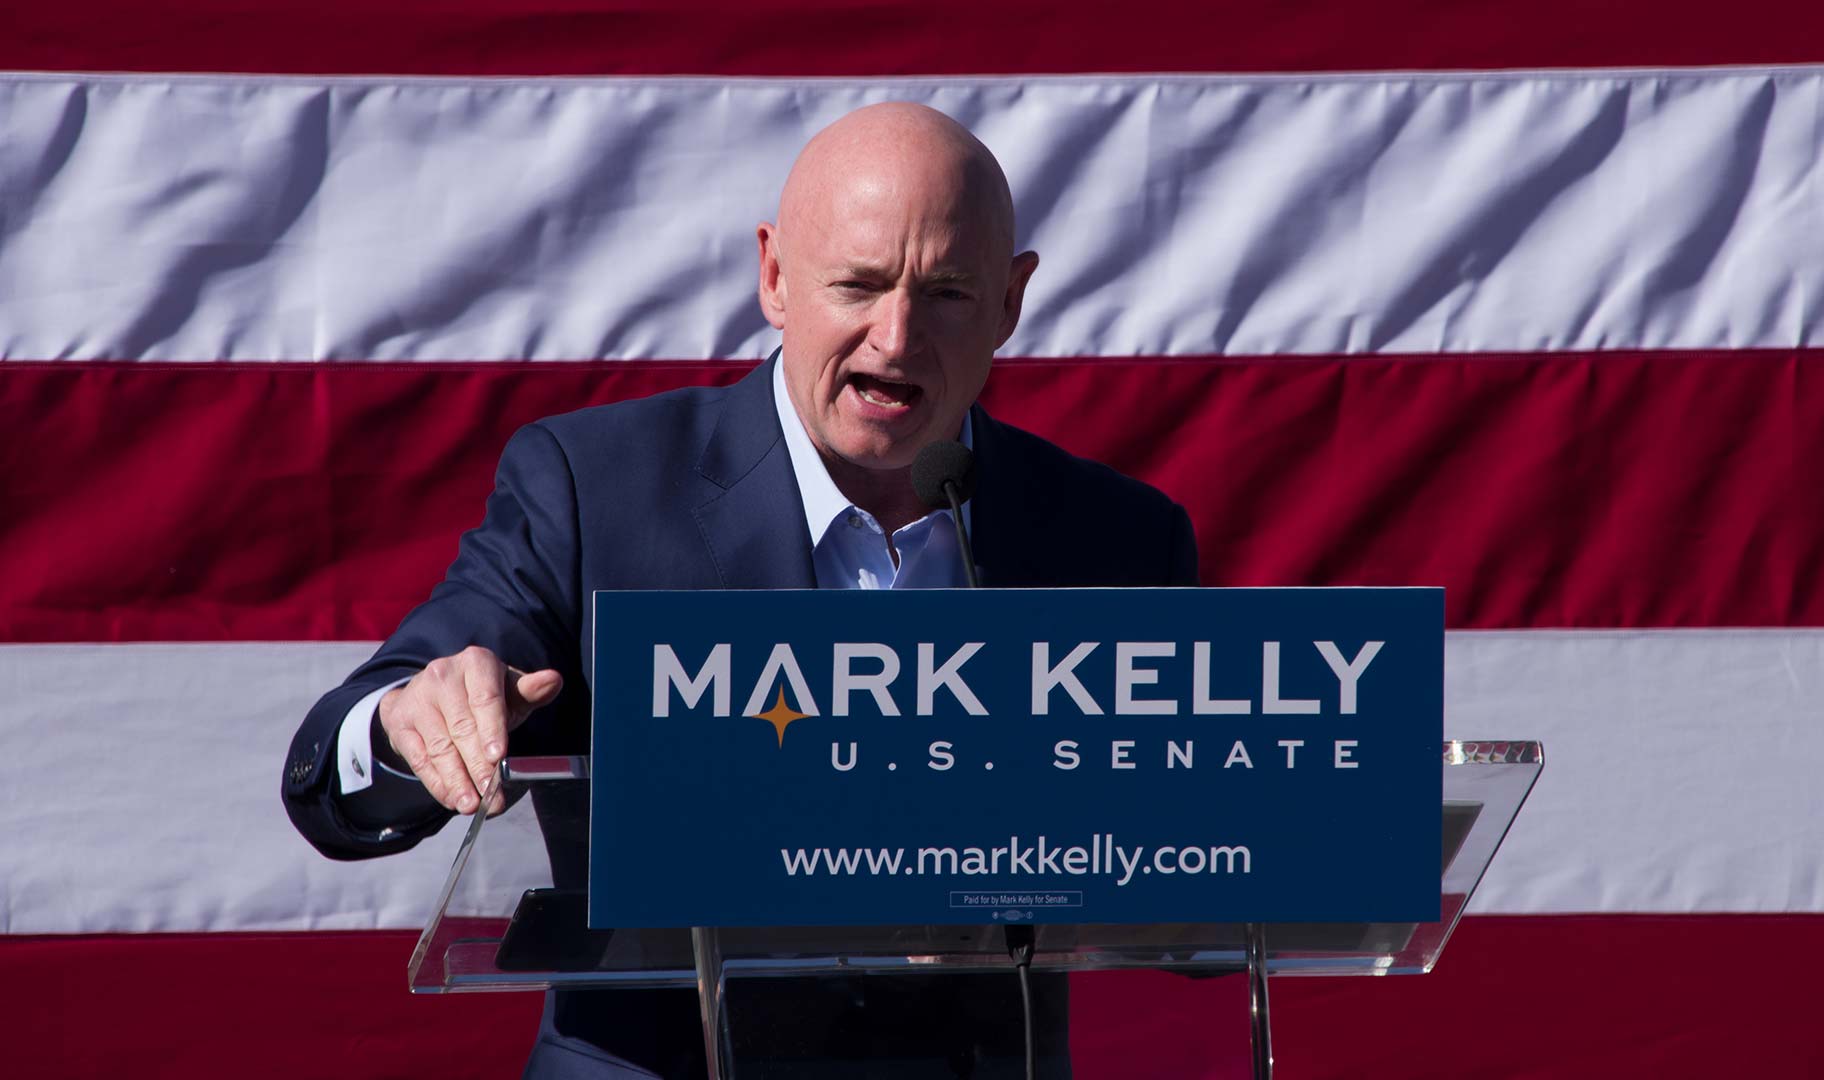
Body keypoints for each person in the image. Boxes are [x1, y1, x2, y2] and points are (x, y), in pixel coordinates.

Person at [283, 101, 1198, 1079]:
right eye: (858, 286)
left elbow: (1205, 893)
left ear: (1011, 304)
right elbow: (336, 770)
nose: (895, 339)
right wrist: (405, 722)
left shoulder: (1114, 537)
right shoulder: (597, 488)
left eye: (946, 294)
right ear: (775, 276)